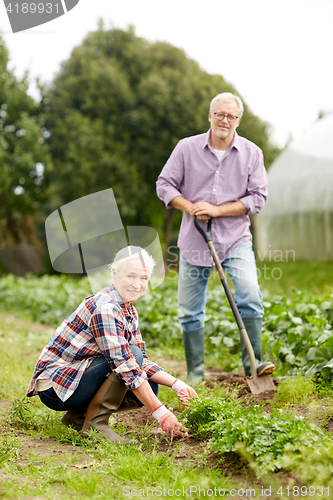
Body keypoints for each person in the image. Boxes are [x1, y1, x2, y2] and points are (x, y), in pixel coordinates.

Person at [156, 92, 275, 383]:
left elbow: (258, 198)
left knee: (249, 295)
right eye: (219, 114)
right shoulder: (186, 148)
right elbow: (164, 185)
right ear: (210, 116)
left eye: (231, 116)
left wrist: (218, 210)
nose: (224, 120)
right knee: (190, 310)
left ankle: (253, 365)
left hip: (235, 239)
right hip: (194, 239)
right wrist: (193, 208)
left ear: (238, 121)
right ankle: (196, 374)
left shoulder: (252, 153)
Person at [27, 246, 197, 444]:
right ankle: (95, 426)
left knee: (150, 385)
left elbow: (140, 361)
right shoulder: (105, 308)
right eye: (131, 276)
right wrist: (162, 414)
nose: (137, 284)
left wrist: (178, 385)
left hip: (76, 379)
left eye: (144, 278)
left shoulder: (128, 309)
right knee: (130, 361)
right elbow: (126, 364)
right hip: (56, 386)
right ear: (115, 274)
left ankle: (78, 417)